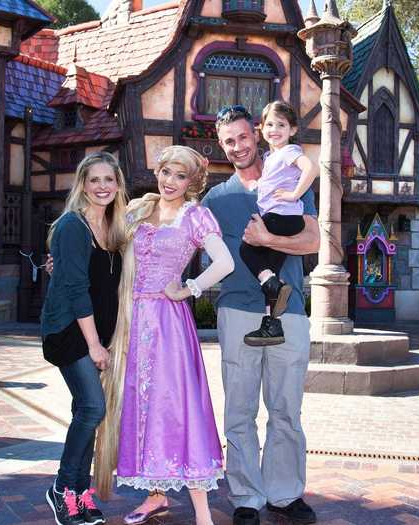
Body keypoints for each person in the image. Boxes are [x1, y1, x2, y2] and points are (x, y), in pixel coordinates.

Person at [94, 145, 234, 525]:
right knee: (140, 407)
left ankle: (203, 514)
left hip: (169, 324)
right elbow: (105, 247)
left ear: (192, 182)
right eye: (166, 172)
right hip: (131, 321)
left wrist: (189, 288)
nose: (170, 182)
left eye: (180, 175)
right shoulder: (138, 209)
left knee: (177, 406)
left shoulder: (196, 216)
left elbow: (225, 262)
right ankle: (156, 496)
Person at [201, 105, 320, 525]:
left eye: (243, 137)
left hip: (288, 312)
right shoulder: (216, 199)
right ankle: (247, 497)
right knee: (240, 410)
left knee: (286, 408)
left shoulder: (289, 179)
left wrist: (267, 238)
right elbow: (190, 253)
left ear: (257, 134)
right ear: (222, 146)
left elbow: (312, 242)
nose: (238, 147)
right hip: (237, 312)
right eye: (228, 142)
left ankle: (285, 494)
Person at [41, 152, 128, 525]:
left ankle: (80, 492)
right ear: (82, 184)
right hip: (70, 331)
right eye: (95, 180)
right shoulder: (73, 226)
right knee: (93, 407)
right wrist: (94, 344)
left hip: (95, 333)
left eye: (109, 179)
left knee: (87, 411)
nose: (103, 186)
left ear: (118, 184)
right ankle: (62, 488)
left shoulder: (115, 228)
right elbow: (77, 290)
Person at [239, 101, 318, 346]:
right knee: (271, 275)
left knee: (247, 248)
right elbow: (271, 183)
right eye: (270, 124)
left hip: (282, 218)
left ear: (292, 130)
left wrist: (294, 195)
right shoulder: (271, 158)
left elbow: (311, 168)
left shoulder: (289, 152)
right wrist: (257, 186)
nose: (275, 129)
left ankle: (272, 285)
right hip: (284, 220)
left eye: (281, 125)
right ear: (261, 129)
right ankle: (272, 324)